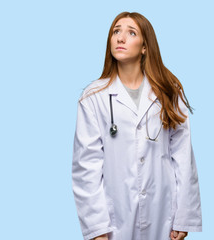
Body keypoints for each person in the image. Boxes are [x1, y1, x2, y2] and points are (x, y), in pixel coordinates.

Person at [72, 11, 202, 240]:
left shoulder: (169, 92)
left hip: (164, 214)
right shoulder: (93, 96)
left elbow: (183, 158)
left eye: (131, 32)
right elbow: (86, 167)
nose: (120, 38)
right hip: (115, 218)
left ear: (145, 47)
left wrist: (184, 216)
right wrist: (96, 228)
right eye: (116, 31)